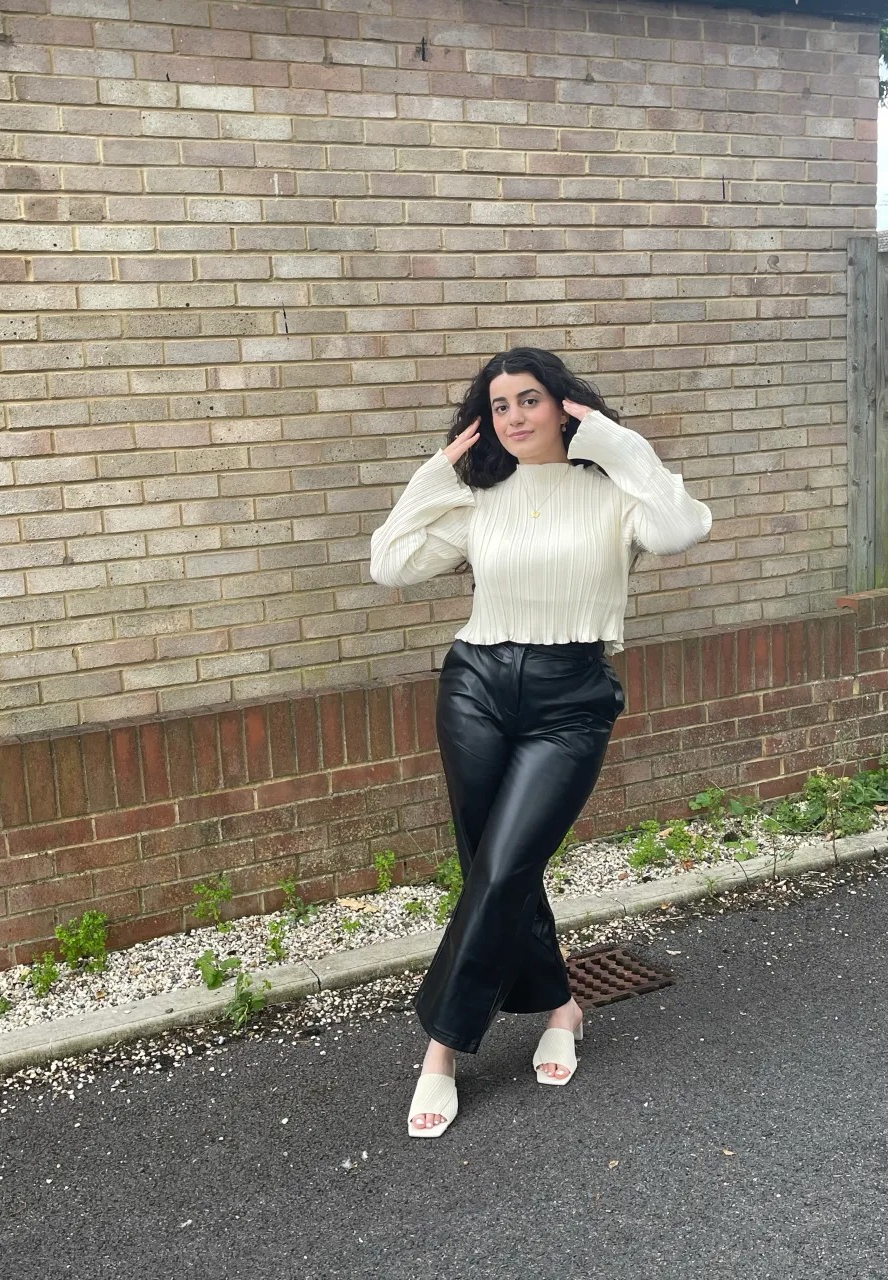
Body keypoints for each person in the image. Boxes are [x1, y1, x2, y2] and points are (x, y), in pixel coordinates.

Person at [369, 347, 712, 1138]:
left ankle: (440, 1049)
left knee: (502, 869)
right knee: (493, 866)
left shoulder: (614, 492)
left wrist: (617, 444)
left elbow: (682, 527)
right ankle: (560, 1004)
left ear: (563, 405)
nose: (514, 416)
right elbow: (389, 564)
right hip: (475, 689)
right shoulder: (480, 499)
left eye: (529, 399)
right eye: (499, 406)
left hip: (571, 700)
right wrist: (437, 473)